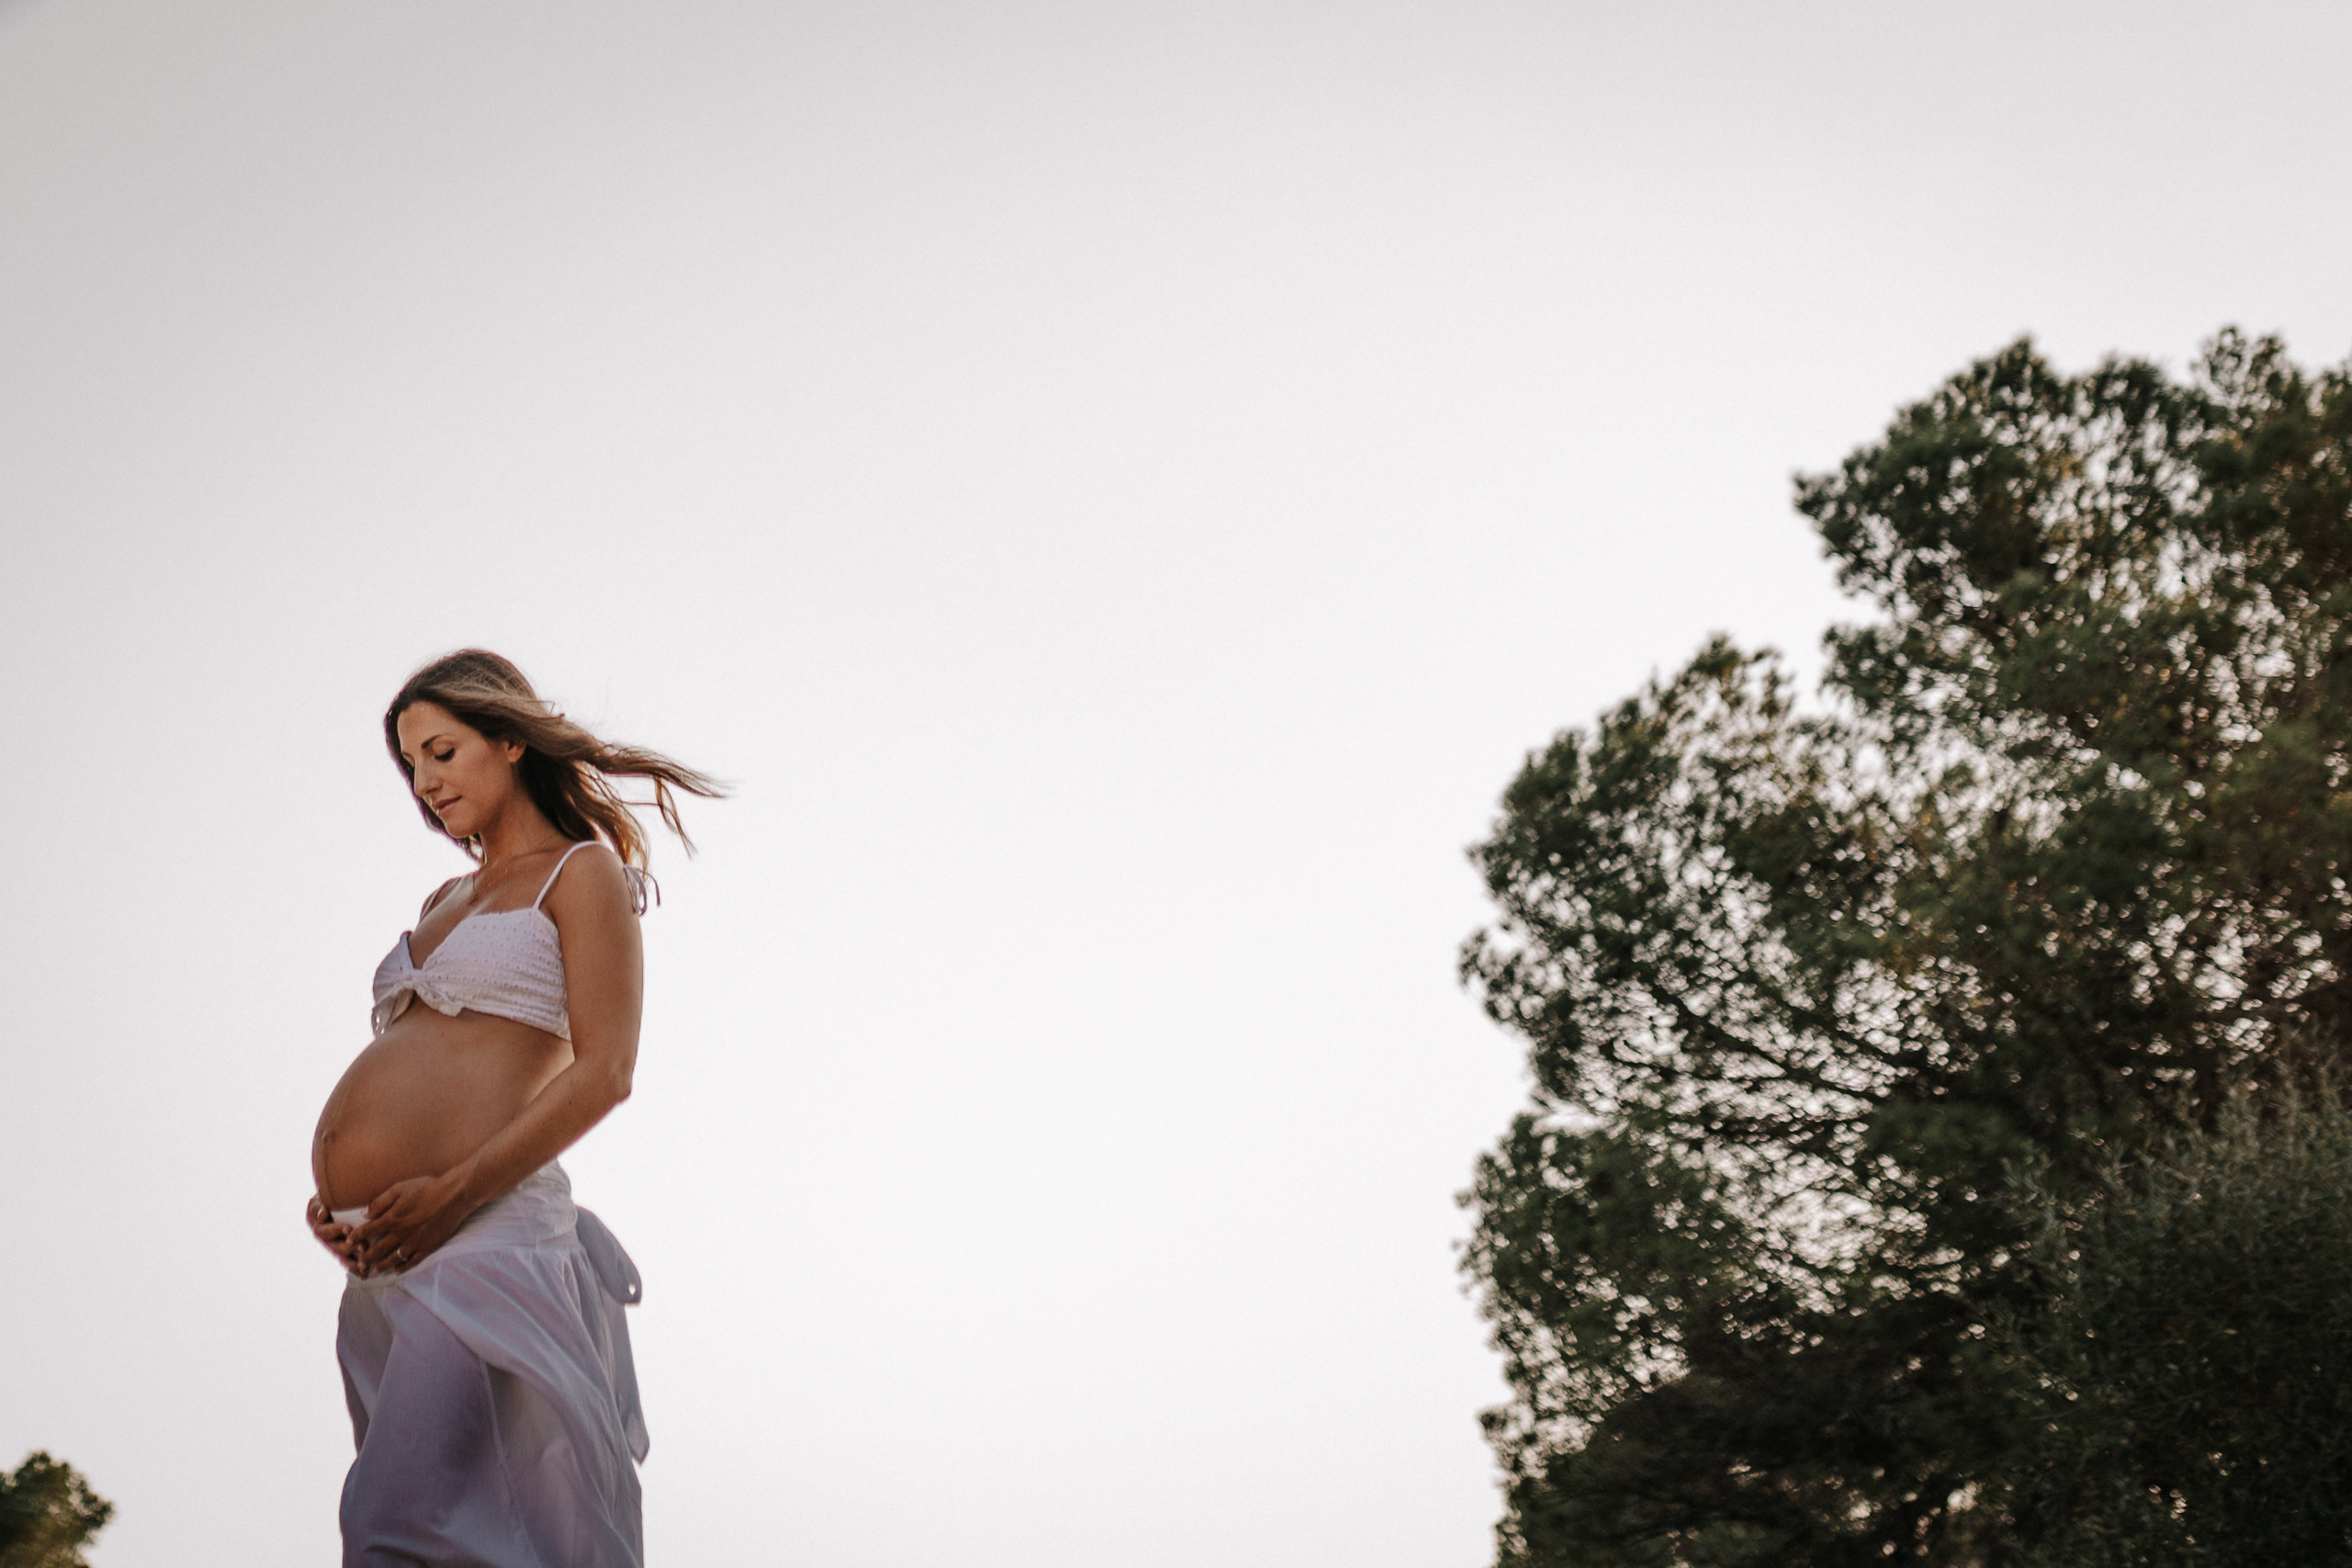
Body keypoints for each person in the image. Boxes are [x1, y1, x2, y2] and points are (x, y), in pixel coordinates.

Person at [306, 649, 722, 1568]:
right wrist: (339, 1196)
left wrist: (451, 1192)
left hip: (486, 1236)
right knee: (454, 1535)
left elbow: (607, 1070)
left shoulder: (580, 873)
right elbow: (411, 1065)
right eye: (410, 764)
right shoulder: (442, 899)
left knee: (394, 1526)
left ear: (508, 740)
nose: (425, 782)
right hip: (386, 1257)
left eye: (443, 752)